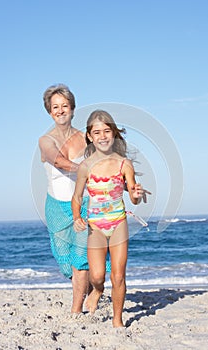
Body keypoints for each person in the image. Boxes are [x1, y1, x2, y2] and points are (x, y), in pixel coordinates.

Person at [72, 110, 149, 327]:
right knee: (97, 276)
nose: (103, 136)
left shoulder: (124, 164)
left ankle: (118, 320)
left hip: (118, 223)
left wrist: (135, 195)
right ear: (90, 136)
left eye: (107, 131)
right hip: (95, 226)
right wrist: (77, 216)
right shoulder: (85, 166)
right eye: (97, 132)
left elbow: (133, 196)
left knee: (118, 276)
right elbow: (77, 196)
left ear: (114, 133)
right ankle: (98, 290)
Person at [39, 83, 91, 314]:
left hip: (84, 202)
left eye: (65, 106)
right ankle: (90, 289)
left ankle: (76, 309)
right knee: (66, 261)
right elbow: (58, 161)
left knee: (81, 257)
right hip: (56, 207)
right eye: (55, 107)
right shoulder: (45, 140)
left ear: (72, 108)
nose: (60, 110)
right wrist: (85, 169)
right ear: (50, 111)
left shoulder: (86, 138)